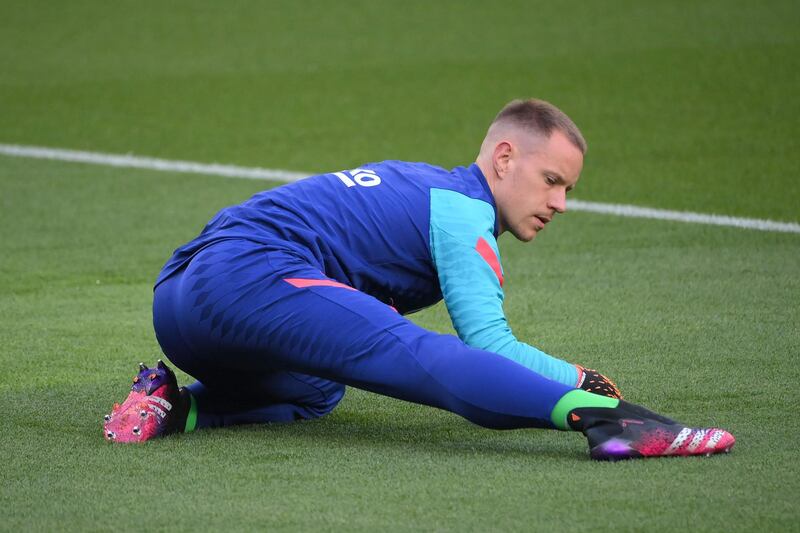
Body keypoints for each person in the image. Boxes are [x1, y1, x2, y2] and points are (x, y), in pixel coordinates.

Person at [103, 99, 734, 460]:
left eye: (569, 189)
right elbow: (488, 345)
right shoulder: (465, 215)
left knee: (321, 390)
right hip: (245, 278)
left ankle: (177, 405)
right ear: (504, 157)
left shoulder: (424, 182)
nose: (562, 202)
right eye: (552, 181)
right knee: (409, 352)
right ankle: (610, 425)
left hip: (179, 296)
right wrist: (583, 385)